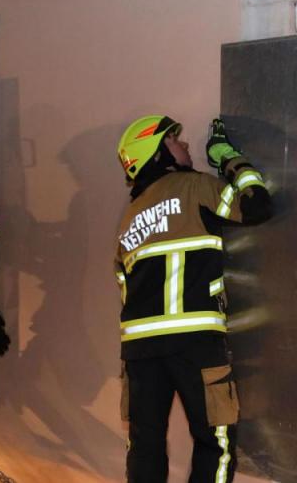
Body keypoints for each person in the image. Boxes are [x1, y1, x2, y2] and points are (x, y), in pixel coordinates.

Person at [114, 115, 272, 482]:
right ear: (156, 154)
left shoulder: (129, 217)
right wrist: (228, 156)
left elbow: (121, 281)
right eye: (174, 140)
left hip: (138, 351)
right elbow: (257, 204)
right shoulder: (195, 187)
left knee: (145, 445)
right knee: (216, 442)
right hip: (195, 343)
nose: (185, 146)